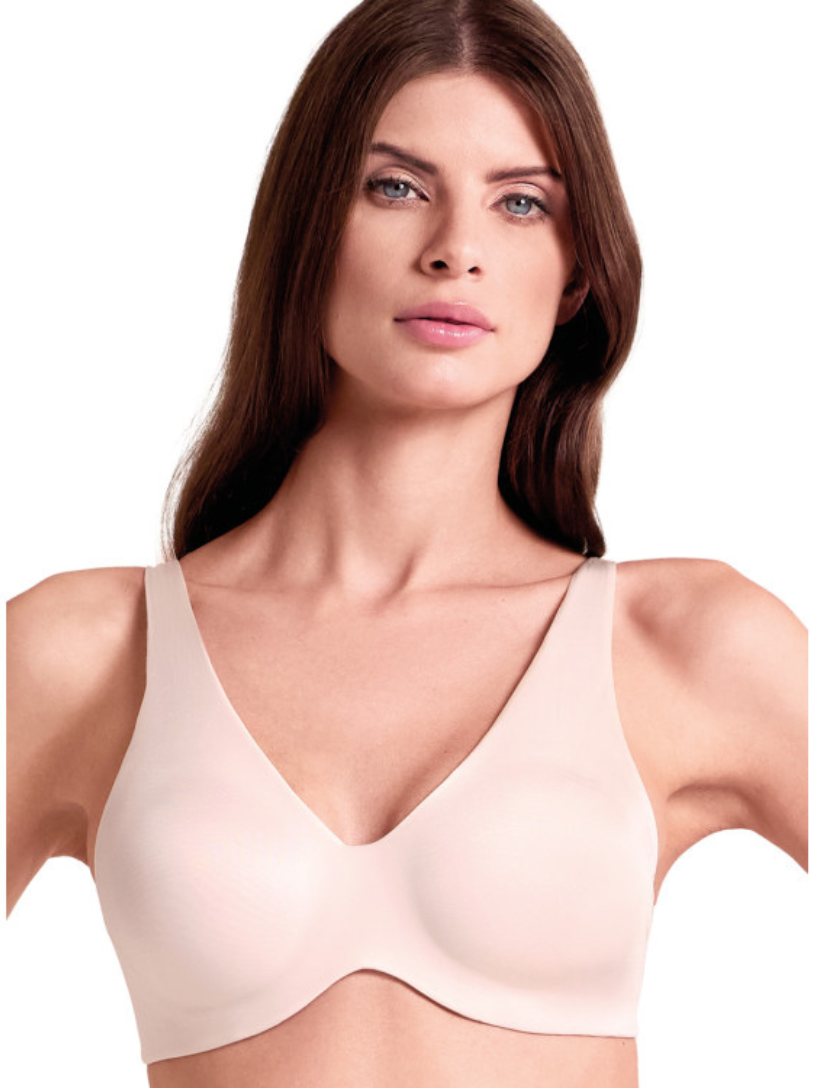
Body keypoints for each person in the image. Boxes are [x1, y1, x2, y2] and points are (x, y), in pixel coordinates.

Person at [6, 0, 807, 1085]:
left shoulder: (691, 645)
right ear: (307, 228)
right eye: (396, 187)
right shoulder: (82, 653)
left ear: (576, 276)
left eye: (521, 202)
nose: (455, 251)